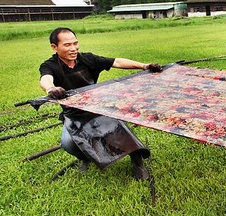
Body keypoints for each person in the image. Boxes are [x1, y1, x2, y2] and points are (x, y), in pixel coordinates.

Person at [39, 27, 163, 180]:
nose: (73, 48)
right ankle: (86, 158)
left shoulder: (87, 59)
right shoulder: (50, 65)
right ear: (54, 47)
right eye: (67, 45)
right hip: (74, 114)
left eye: (75, 43)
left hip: (98, 108)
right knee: (68, 143)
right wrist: (51, 88)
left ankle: (137, 161)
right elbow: (45, 79)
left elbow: (116, 62)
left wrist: (144, 66)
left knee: (118, 130)